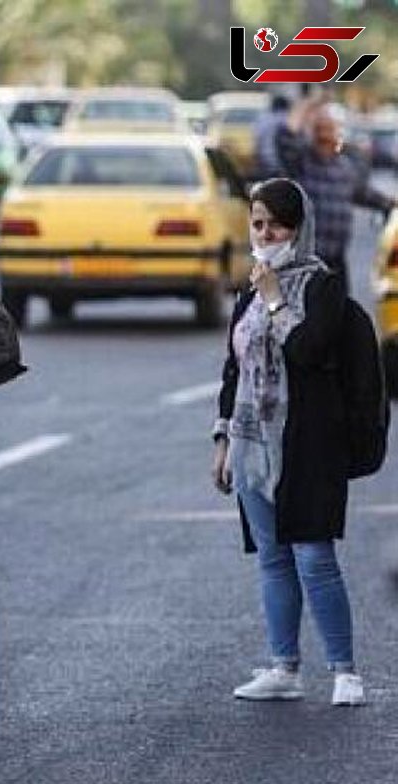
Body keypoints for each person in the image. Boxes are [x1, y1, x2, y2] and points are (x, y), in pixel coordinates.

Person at [211, 178, 365, 707]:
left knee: (314, 557)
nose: (267, 232)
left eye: (278, 223)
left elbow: (309, 351)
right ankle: (284, 668)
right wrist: (223, 440)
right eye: (258, 223)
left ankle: (346, 672)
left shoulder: (322, 285)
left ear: (300, 228)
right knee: (273, 558)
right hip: (254, 444)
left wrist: (277, 301)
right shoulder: (248, 287)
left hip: (307, 443)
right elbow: (235, 369)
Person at [276, 97, 396, 277]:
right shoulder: (302, 163)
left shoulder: (344, 168)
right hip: (306, 262)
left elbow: (364, 195)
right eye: (319, 130)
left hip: (336, 262)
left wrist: (392, 204)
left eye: (328, 130)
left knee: (339, 305)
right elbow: (286, 137)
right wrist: (308, 105)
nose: (324, 136)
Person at [252, 94, 290, 181]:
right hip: (281, 165)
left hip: (264, 163)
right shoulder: (285, 119)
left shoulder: (262, 119)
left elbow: (257, 142)